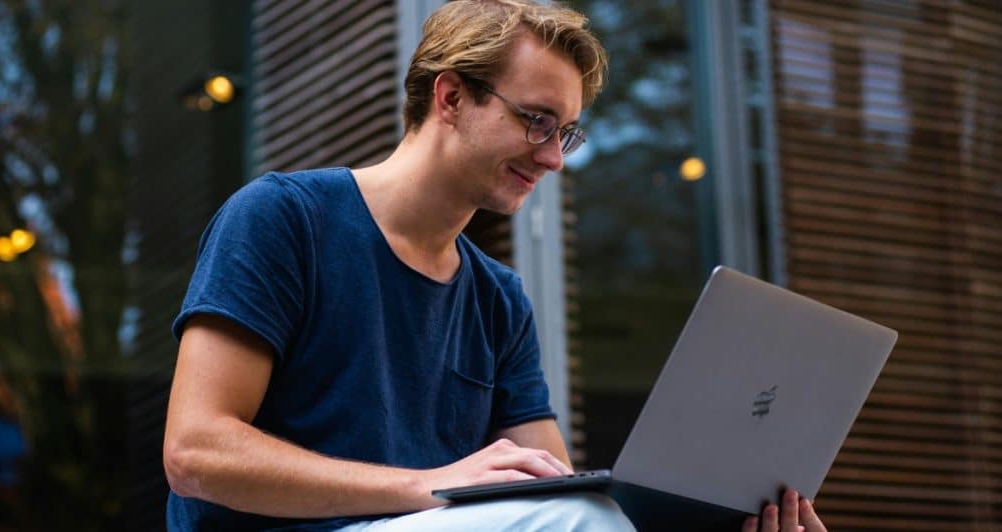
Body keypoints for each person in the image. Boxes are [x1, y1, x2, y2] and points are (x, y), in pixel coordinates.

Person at [163, 1, 827, 531]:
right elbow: (195, 454)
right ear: (450, 98)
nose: (554, 159)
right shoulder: (284, 219)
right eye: (537, 121)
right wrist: (424, 487)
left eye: (566, 133)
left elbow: (556, 486)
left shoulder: (498, 299)